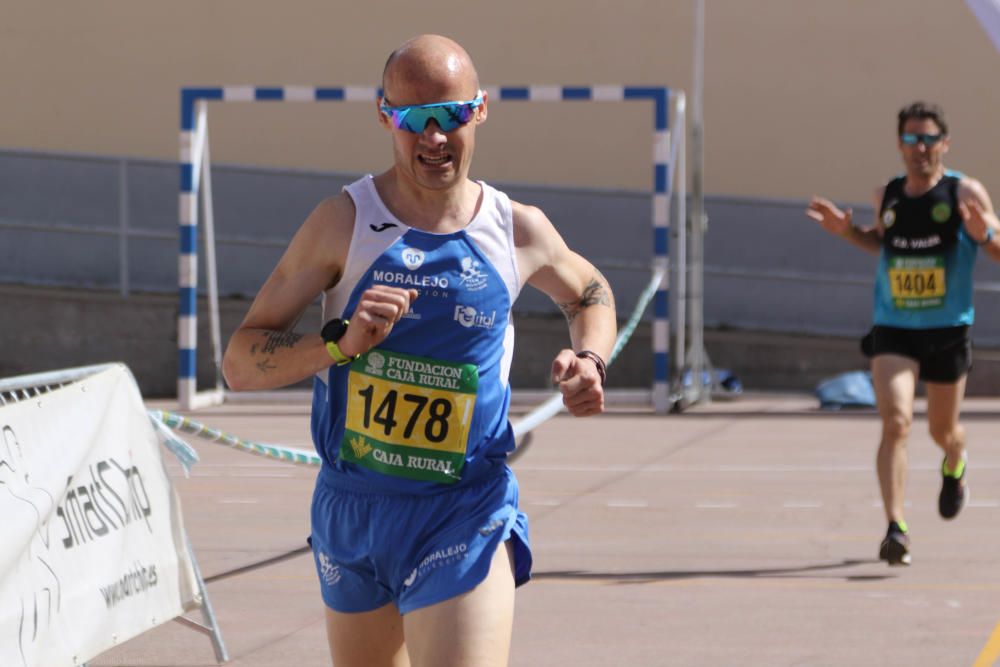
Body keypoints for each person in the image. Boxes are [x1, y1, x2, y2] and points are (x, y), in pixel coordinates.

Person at [221, 34, 616, 666]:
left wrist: (590, 362)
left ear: (479, 111)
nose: (434, 138)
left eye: (451, 116)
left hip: (464, 507)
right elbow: (240, 362)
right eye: (414, 120)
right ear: (385, 117)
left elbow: (590, 293)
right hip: (354, 508)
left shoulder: (515, 228)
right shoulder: (343, 223)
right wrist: (339, 344)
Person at [806, 101, 1000, 567]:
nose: (921, 148)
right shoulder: (887, 193)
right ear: (900, 145)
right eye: (912, 139)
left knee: (942, 430)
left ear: (944, 144)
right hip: (894, 327)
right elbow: (880, 242)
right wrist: (848, 230)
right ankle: (896, 527)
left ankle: (955, 462)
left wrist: (985, 236)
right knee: (895, 422)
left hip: (948, 331)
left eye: (929, 139)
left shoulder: (964, 192)